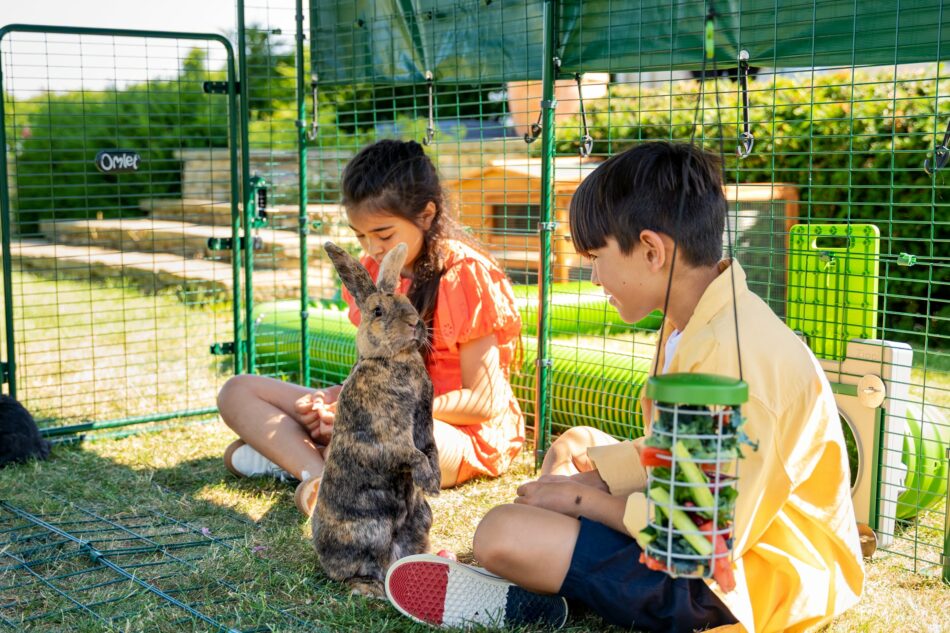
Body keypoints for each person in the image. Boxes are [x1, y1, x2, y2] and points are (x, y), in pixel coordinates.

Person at [383, 142, 865, 632]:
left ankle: (535, 573)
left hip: (740, 584)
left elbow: (696, 537)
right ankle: (550, 562)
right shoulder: (696, 318)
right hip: (707, 528)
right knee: (577, 446)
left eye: (596, 256)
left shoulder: (729, 360)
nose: (594, 277)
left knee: (501, 533)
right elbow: (679, 453)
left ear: (653, 251)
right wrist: (585, 482)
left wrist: (583, 501)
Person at [217, 139, 525, 516]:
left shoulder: (465, 275)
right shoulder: (373, 272)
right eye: (360, 235)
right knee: (238, 390)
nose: (372, 247)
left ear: (426, 215)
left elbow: (483, 402)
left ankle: (295, 457)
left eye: (383, 234)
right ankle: (318, 475)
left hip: (457, 434)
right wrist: (334, 400)